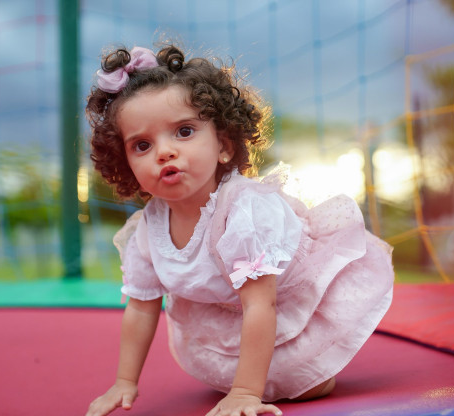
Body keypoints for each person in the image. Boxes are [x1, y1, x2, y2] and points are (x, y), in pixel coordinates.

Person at [84, 44, 394, 416]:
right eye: (142, 145)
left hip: (284, 295)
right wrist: (125, 381)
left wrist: (246, 392)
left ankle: (293, 374)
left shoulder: (244, 213)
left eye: (184, 131)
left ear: (224, 146)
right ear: (126, 163)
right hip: (228, 308)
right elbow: (141, 308)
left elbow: (260, 303)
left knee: (303, 385)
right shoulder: (148, 230)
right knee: (231, 375)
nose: (163, 152)